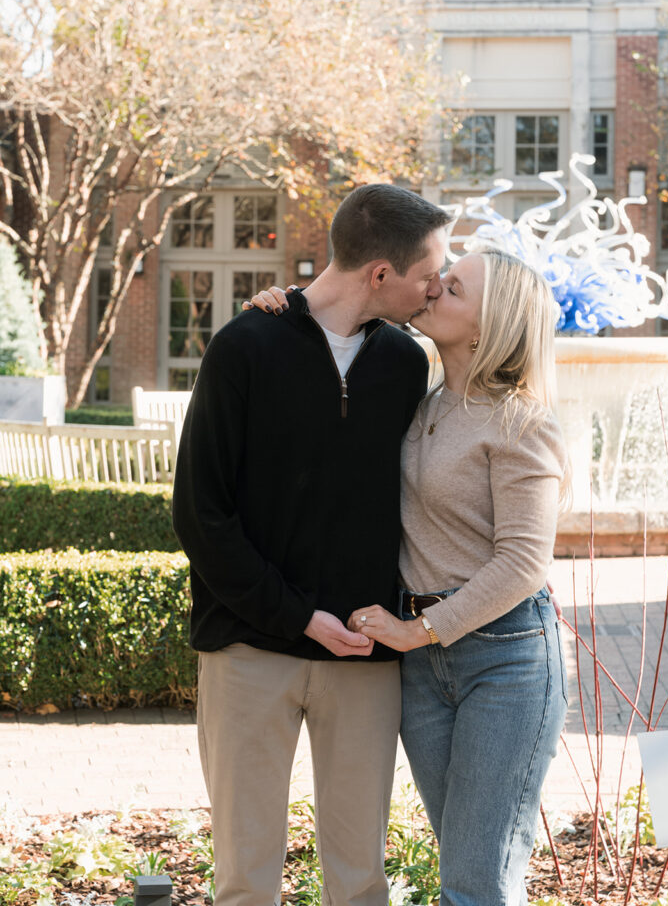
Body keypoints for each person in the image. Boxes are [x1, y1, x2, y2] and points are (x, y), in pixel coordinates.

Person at [172, 183, 449, 906]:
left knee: (360, 883)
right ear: (381, 274)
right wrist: (297, 616)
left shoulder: (407, 364)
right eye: (428, 274)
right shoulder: (245, 346)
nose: (436, 287)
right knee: (244, 880)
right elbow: (200, 513)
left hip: (363, 653)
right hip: (248, 649)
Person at [346, 248, 569, 906]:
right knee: (469, 870)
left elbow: (523, 562)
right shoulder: (421, 405)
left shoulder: (521, 421)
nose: (433, 288)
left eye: (453, 287)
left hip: (504, 660)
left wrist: (415, 632)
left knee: (475, 882)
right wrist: (285, 306)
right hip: (426, 666)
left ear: (487, 325)